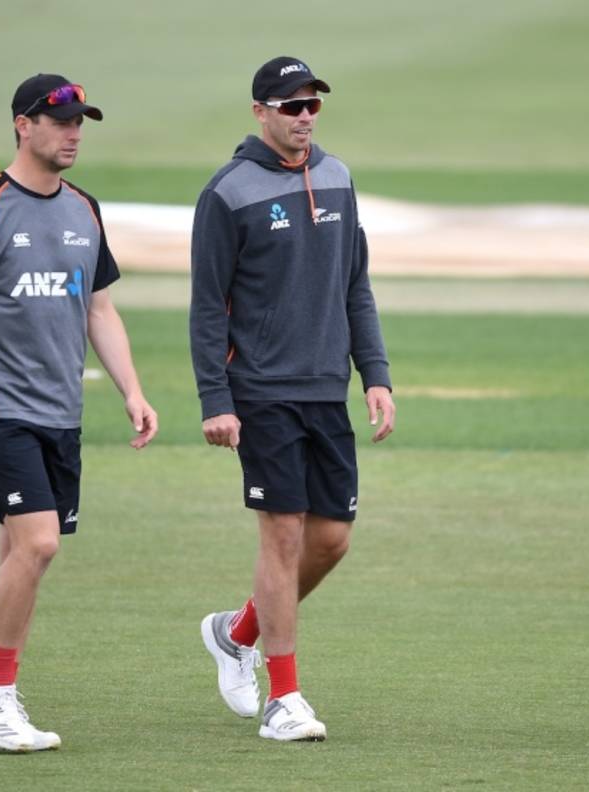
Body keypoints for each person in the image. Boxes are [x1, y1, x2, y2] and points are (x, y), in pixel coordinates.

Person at [0, 73, 158, 752]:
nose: (74, 132)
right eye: (61, 121)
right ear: (24, 125)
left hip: (61, 410)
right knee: (40, 541)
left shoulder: (84, 210)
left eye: (81, 122)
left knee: (26, 553)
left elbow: (100, 309)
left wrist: (131, 391)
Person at [189, 56, 395, 742]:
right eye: (290, 105)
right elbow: (207, 308)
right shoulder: (228, 192)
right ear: (260, 112)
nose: (303, 116)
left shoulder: (338, 177)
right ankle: (285, 698)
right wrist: (216, 399)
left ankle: (236, 632)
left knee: (330, 540)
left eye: (312, 105)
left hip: (324, 390)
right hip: (260, 393)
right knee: (281, 536)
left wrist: (375, 374)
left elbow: (355, 285)